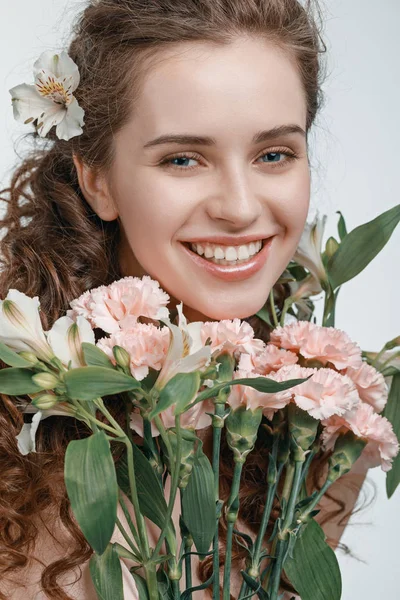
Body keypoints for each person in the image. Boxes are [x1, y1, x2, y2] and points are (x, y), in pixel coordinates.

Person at [0, 0, 372, 598]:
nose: (241, 207)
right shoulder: (9, 425)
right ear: (98, 180)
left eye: (273, 154)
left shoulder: (319, 441)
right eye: (182, 159)